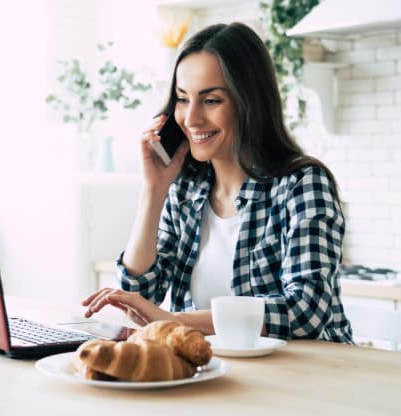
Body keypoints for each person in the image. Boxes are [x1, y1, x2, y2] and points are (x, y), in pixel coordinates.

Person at [82, 22, 353, 343]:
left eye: (211, 101)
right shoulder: (185, 189)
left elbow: (306, 310)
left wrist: (176, 321)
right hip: (213, 371)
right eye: (183, 99)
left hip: (306, 375)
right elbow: (140, 294)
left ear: (249, 102)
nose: (191, 118)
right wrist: (153, 190)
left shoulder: (302, 184)